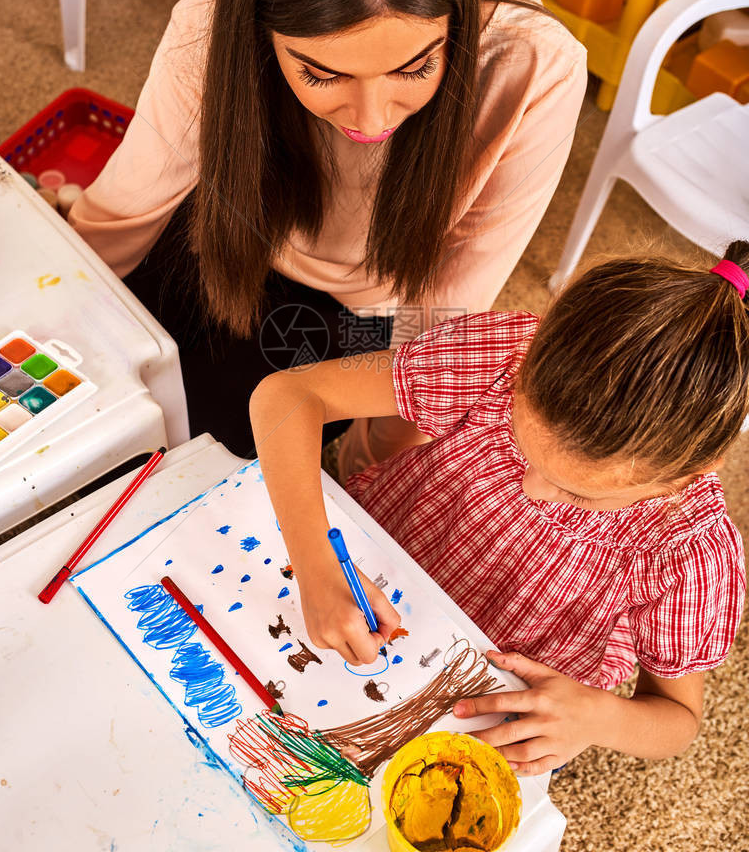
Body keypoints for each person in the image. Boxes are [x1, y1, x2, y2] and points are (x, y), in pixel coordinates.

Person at [68, 0, 586, 464]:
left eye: (415, 67)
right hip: (224, 235)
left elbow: (444, 315)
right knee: (92, 413)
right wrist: (53, 307)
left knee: (191, 468)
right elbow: (133, 197)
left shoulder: (536, 66)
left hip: (358, 318)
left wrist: (372, 466)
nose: (371, 119)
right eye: (321, 74)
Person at [249, 243, 748, 773]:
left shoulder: (693, 553)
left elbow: (676, 719)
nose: (533, 489)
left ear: (687, 475)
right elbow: (288, 396)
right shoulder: (500, 352)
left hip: (487, 706)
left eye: (578, 493)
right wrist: (313, 560)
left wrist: (598, 718)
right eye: (520, 444)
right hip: (377, 564)